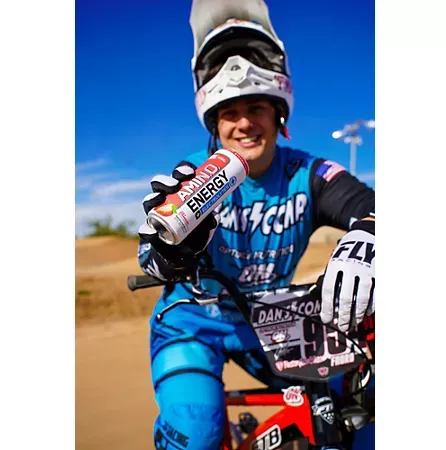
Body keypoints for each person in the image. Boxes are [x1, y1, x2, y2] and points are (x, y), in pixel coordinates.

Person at [137, 7, 375, 450]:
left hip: (270, 318)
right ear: (214, 124)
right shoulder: (196, 174)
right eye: (229, 112)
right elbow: (150, 257)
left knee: (355, 412)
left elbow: (372, 206)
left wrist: (369, 238)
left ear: (279, 115)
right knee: (195, 433)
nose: (244, 123)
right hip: (190, 323)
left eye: (256, 107)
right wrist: (170, 252)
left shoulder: (309, 172)